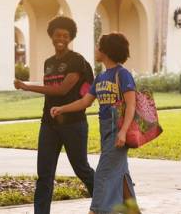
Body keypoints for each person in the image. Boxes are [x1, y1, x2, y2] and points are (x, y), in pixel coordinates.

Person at [14, 16, 95, 214]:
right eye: (57, 35)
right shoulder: (48, 63)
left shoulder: (76, 60)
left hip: (73, 123)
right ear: (51, 36)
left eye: (66, 36)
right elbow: (52, 92)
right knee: (44, 174)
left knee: (81, 169)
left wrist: (27, 86)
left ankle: (106, 203)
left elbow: (61, 90)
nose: (61, 39)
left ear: (70, 38)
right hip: (49, 124)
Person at [50, 33, 138, 214]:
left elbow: (131, 105)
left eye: (98, 45)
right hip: (105, 130)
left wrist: (123, 131)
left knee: (102, 175)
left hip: (117, 131)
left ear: (107, 50)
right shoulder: (101, 77)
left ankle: (95, 211)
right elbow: (84, 102)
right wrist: (62, 109)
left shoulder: (123, 74)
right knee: (121, 176)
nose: (96, 48)